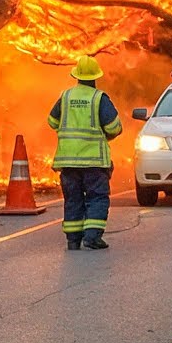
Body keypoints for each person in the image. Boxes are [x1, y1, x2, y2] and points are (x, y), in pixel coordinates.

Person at [47, 55, 123, 250]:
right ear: (96, 76)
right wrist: (104, 135)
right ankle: (92, 237)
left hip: (68, 161)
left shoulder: (65, 97)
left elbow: (52, 122)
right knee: (97, 197)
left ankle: (73, 240)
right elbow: (114, 127)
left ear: (76, 76)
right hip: (94, 162)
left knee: (73, 199)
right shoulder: (99, 98)